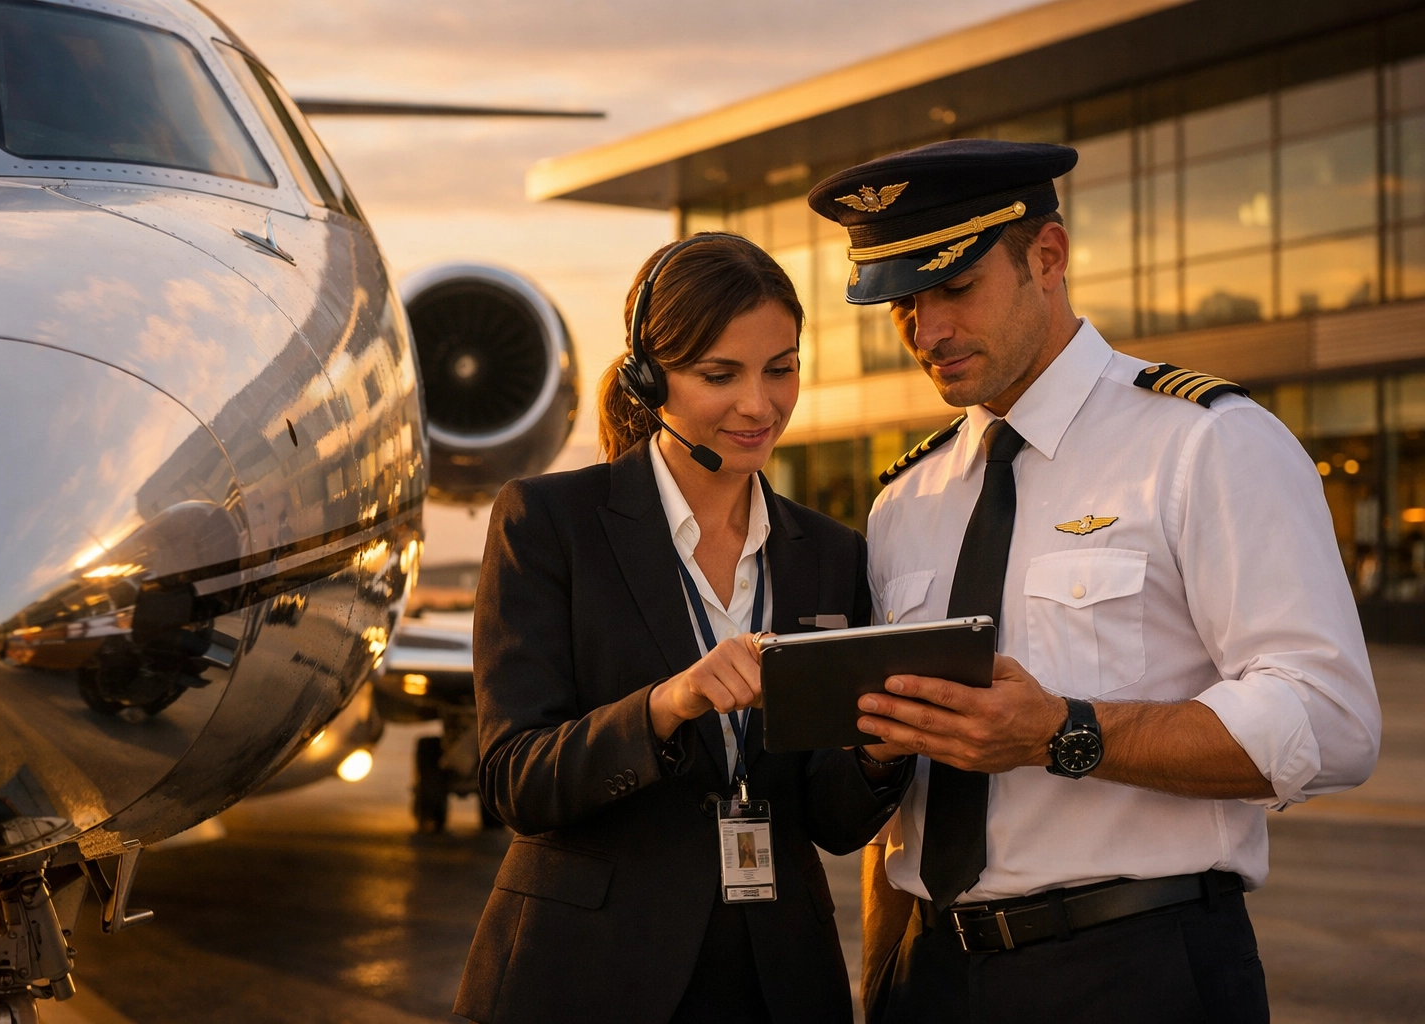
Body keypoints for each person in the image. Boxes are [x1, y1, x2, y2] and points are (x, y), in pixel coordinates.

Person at [804, 139, 1381, 1023]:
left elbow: (1331, 722)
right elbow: (902, 818)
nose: (928, 332)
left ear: (1048, 257)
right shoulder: (903, 501)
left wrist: (1061, 733)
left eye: (954, 288)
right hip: (924, 974)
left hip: (1129, 967)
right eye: (901, 305)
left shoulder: (1204, 443)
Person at [454, 233, 911, 1024]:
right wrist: (667, 704)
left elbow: (832, 821)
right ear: (647, 376)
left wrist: (878, 754)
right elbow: (516, 780)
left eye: (781, 368)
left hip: (777, 981)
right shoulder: (548, 522)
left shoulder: (832, 555)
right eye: (719, 375)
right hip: (587, 975)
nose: (759, 405)